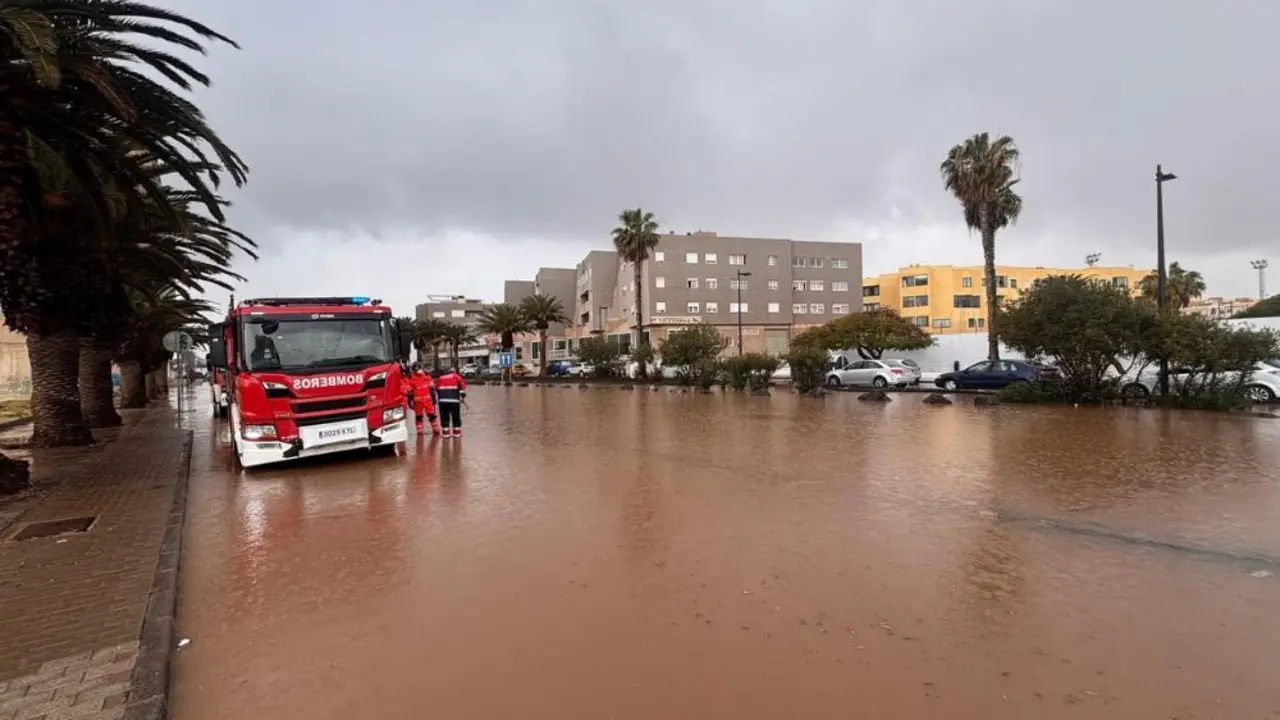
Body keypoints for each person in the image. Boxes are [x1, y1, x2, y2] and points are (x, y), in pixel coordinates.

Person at [435, 366, 467, 438]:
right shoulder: (456, 377)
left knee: (445, 417)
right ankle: (457, 434)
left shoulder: (441, 378)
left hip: (442, 401)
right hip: (454, 401)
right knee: (456, 417)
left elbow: (436, 388)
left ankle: (446, 434)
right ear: (454, 371)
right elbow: (462, 387)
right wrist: (462, 396)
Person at [408, 364, 439, 435]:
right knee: (430, 415)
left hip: (420, 401)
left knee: (421, 416)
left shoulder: (412, 379)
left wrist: (410, 401)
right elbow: (432, 389)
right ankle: (435, 430)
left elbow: (409, 392)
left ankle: (421, 432)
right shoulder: (426, 377)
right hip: (425, 400)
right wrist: (434, 399)